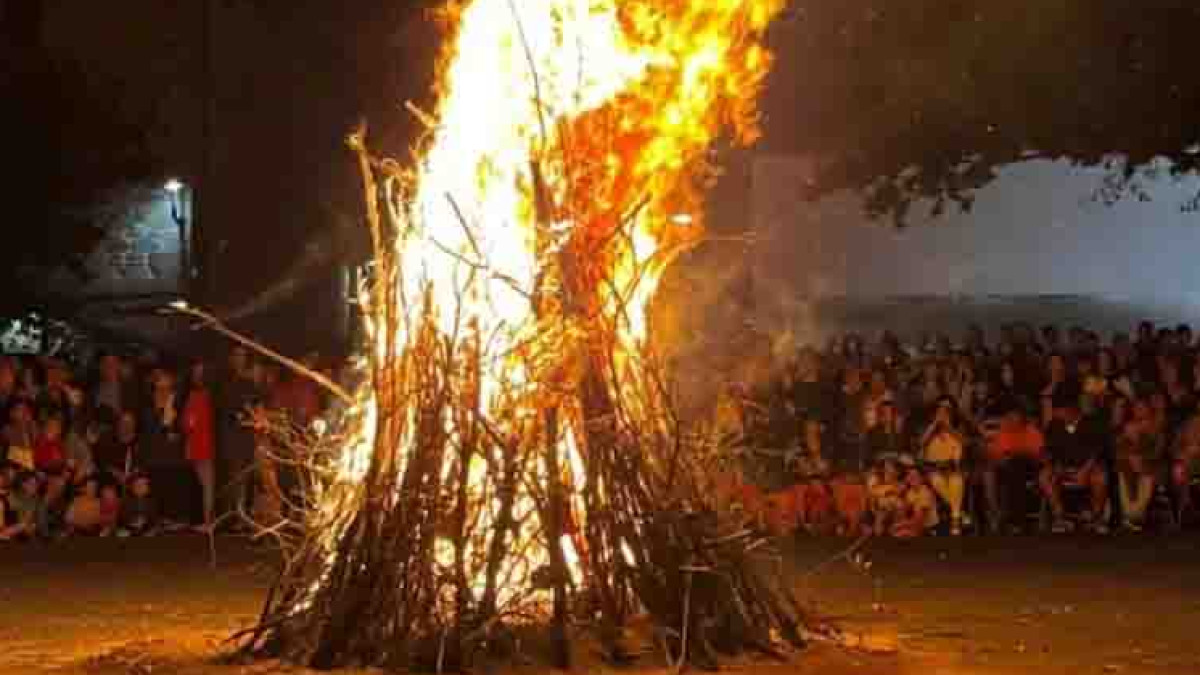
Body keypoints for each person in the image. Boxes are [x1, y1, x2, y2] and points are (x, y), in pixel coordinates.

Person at [1043, 395, 1110, 533]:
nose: (1057, 414)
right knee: (1045, 476)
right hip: (1064, 468)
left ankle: (1096, 518)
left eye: (1059, 411)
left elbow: (1097, 452)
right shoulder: (1054, 425)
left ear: (1070, 410)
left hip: (1087, 468)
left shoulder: (1092, 424)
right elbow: (1050, 451)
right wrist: (1056, 466)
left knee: (1101, 477)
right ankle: (1059, 517)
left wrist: (1084, 471)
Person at [983, 407, 1049, 533]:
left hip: (1028, 467)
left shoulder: (1032, 431)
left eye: (1015, 418)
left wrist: (1018, 453)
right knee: (991, 473)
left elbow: (1039, 455)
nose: (1011, 421)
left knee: (1017, 466)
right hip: (1006, 468)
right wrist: (1002, 459)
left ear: (1022, 419)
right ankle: (998, 514)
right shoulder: (1004, 432)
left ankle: (1016, 519)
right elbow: (995, 455)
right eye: (1010, 418)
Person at [920, 397, 967, 535]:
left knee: (957, 482)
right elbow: (922, 442)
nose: (942, 416)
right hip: (934, 470)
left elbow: (961, 445)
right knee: (937, 481)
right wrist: (935, 423)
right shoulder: (930, 434)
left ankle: (955, 520)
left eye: (945, 413)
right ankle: (958, 515)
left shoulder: (955, 434)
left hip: (951, 469)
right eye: (939, 413)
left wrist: (948, 427)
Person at [183, 361, 217, 530]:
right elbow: (187, 423)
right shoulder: (197, 395)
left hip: (203, 446)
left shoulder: (201, 396)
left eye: (200, 372)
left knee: (207, 485)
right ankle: (208, 521)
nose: (197, 376)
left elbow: (188, 423)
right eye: (195, 372)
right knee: (205, 485)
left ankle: (209, 522)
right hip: (200, 445)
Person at [892, 466, 939, 538]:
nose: (911, 478)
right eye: (909, 475)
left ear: (922, 478)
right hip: (916, 525)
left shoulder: (925, 492)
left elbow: (919, 518)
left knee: (901, 533)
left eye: (915, 476)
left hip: (928, 528)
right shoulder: (910, 492)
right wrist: (900, 495)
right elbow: (903, 512)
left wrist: (902, 524)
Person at [121, 472, 158, 536]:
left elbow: (155, 520)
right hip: (129, 532)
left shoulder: (152, 501)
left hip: (148, 531)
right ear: (132, 487)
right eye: (137, 484)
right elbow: (122, 519)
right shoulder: (126, 501)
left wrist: (151, 529)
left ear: (148, 488)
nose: (140, 487)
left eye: (144, 484)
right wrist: (132, 522)